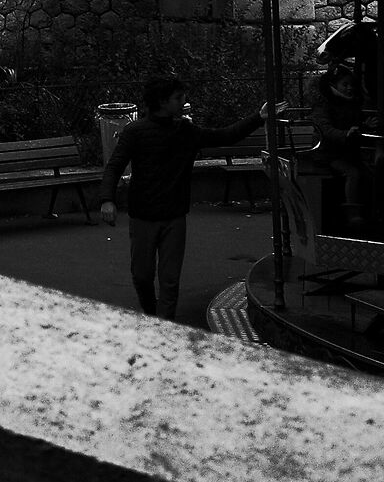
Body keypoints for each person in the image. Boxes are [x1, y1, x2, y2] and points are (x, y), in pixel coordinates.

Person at [100, 76, 277, 320]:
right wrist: (106, 199)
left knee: (170, 279)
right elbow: (115, 165)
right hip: (144, 215)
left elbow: (223, 136)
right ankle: (152, 313)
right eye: (178, 98)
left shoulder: (185, 131)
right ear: (163, 102)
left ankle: (164, 323)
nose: (183, 103)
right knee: (142, 275)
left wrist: (258, 118)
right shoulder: (136, 132)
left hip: (173, 214)